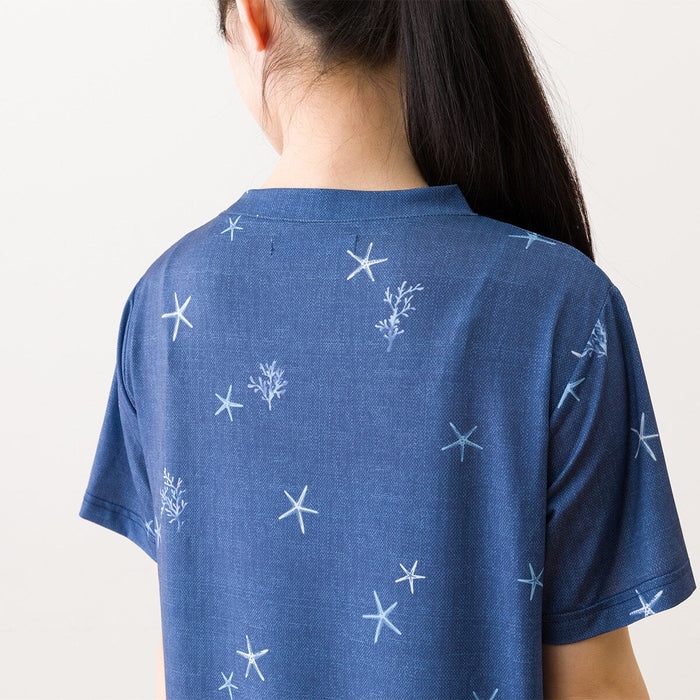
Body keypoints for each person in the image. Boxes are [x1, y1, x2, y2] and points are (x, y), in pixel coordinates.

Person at [78, 1, 696, 698]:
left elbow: (196, 635)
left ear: (253, 16)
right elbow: (596, 687)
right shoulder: (560, 306)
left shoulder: (166, 305)